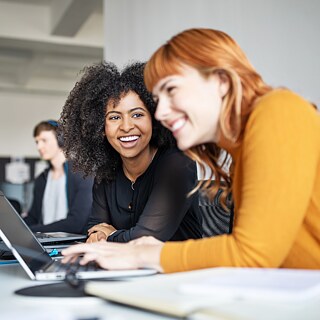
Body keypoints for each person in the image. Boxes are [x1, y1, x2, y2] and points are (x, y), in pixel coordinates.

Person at [62, 28, 320, 271]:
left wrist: (143, 253)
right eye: (159, 100)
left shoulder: (278, 112)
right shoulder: (243, 147)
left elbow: (253, 254)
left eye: (172, 90)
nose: (161, 112)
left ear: (221, 81)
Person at [59, 61, 203, 243]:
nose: (126, 126)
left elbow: (147, 239)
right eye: (114, 117)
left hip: (179, 270)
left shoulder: (178, 164)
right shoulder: (106, 172)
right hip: (127, 269)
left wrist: (110, 235)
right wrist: (100, 235)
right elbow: (95, 229)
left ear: (155, 119)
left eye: (137, 115)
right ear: (101, 127)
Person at [24, 120, 94, 233]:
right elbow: (33, 218)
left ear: (60, 140)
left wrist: (33, 232)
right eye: (37, 142)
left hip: (70, 244)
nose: (39, 146)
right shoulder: (41, 179)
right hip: (44, 243)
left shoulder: (83, 175)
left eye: (44, 140)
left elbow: (76, 223)